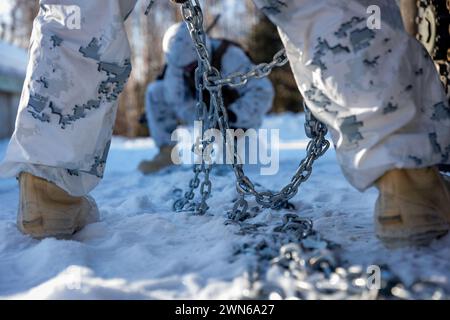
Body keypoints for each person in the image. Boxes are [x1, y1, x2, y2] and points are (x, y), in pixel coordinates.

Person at [0, 0, 449, 246]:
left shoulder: (228, 55)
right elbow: (167, 101)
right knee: (327, 5)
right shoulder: (171, 74)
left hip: (233, 120)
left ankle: (48, 185)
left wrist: (233, 121)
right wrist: (179, 134)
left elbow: (261, 92)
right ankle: (403, 169)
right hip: (203, 123)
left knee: (78, 14)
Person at [138, 23, 274, 174]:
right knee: (156, 92)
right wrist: (206, 123)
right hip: (205, 114)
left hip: (236, 122)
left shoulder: (231, 57)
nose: (188, 70)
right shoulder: (176, 65)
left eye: (192, 65)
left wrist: (232, 116)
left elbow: (263, 92)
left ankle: (239, 145)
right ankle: (166, 153)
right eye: (184, 68)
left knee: (242, 169)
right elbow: (176, 100)